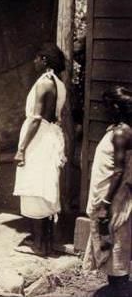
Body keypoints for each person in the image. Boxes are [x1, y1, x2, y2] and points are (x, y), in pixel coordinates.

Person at [13, 43, 67, 256]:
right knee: (44, 186)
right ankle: (43, 241)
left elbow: (36, 119)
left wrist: (22, 148)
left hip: (39, 138)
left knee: (35, 188)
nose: (34, 62)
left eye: (36, 58)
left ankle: (38, 245)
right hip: (50, 136)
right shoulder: (59, 84)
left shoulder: (44, 83)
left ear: (44, 59)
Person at [82, 86, 132, 297]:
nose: (103, 110)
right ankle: (116, 288)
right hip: (108, 196)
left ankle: (119, 290)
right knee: (110, 247)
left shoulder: (121, 132)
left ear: (114, 106)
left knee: (116, 246)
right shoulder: (117, 129)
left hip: (113, 199)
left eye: (105, 106)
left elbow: (119, 170)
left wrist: (106, 203)